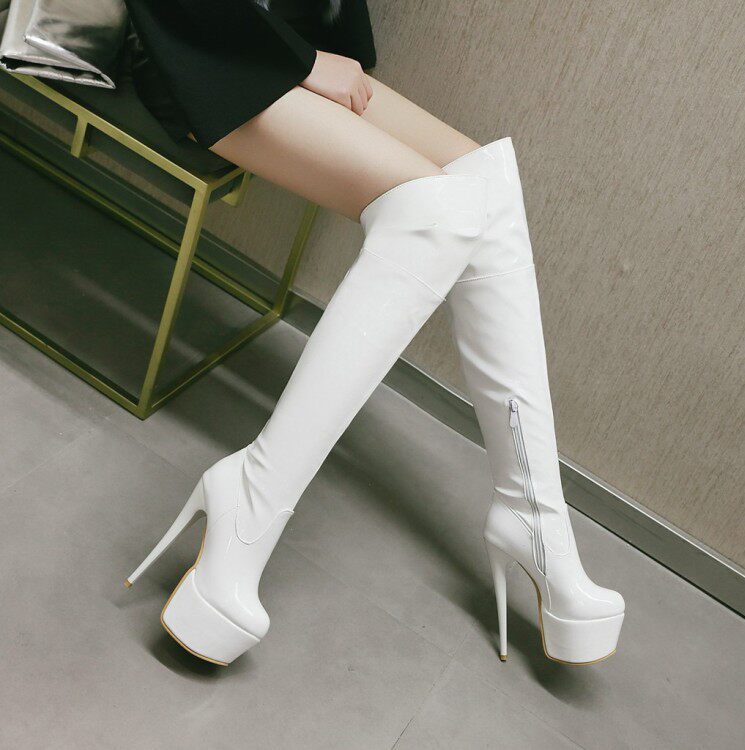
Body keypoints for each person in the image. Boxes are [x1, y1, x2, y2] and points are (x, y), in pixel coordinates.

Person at [124, 0, 625, 667]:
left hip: (275, 42)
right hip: (195, 38)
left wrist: (307, 54)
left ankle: (534, 515)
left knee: (489, 186)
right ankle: (252, 495)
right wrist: (303, 62)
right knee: (436, 215)